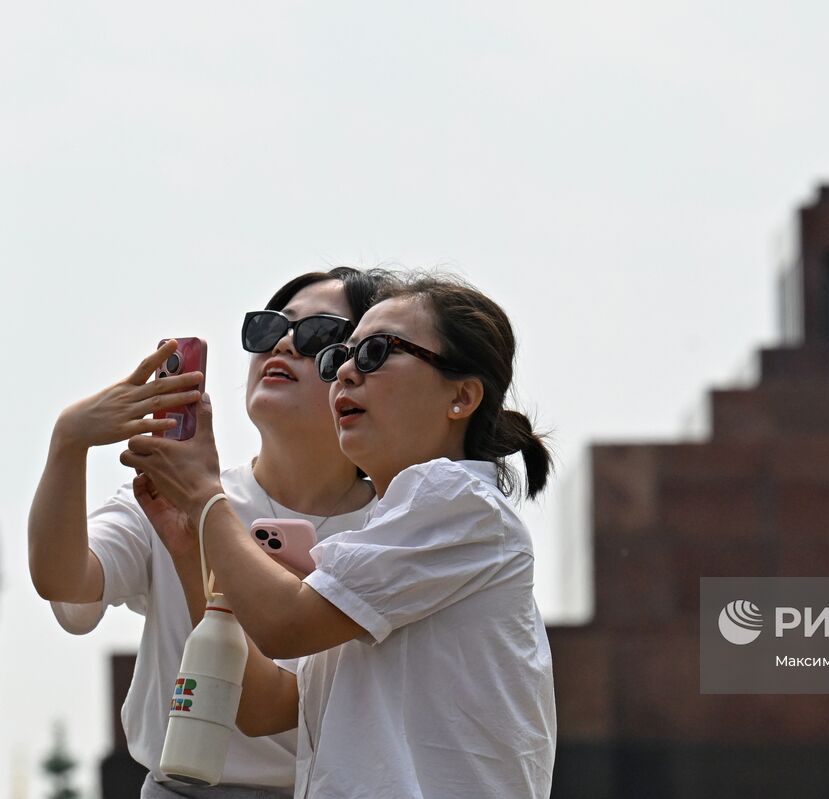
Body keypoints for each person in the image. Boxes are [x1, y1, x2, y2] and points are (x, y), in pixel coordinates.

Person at [126, 273, 557, 799]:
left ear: (462, 396)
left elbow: (285, 625)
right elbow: (266, 709)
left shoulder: (455, 498)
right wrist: (187, 540)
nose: (345, 373)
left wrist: (203, 495)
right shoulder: (396, 524)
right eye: (338, 359)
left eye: (375, 352)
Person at [29, 266, 394, 798]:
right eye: (268, 328)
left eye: (318, 333)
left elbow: (272, 707)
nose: (285, 343)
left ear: (363, 371)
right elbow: (63, 579)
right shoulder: (169, 495)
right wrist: (68, 444)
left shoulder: (393, 530)